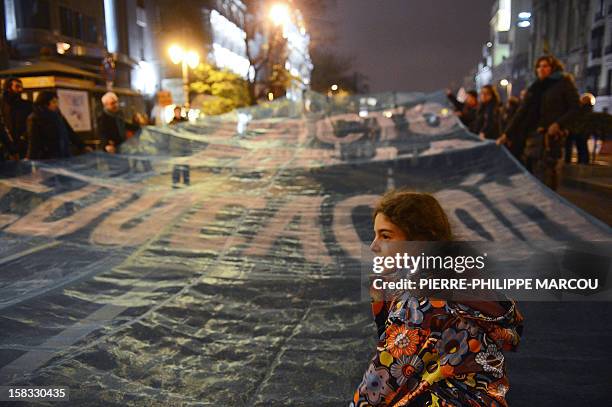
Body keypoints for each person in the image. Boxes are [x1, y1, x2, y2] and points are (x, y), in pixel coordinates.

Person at [351, 190, 522, 407]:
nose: (373, 246)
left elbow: (378, 386)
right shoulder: (465, 277)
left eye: (386, 236)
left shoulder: (420, 305)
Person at [497, 55, 580, 190]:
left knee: (547, 173)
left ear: (553, 68)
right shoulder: (535, 87)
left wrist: (558, 124)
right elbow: (521, 113)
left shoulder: (563, 83)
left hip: (551, 136)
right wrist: (507, 134)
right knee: (532, 173)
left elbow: (575, 108)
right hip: (532, 136)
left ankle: (549, 205)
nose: (541, 69)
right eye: (539, 66)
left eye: (545, 66)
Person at [26, 91, 90, 160]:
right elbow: (33, 142)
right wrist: (31, 159)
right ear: (45, 103)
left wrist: (82, 146)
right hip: (47, 158)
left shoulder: (58, 116)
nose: (57, 105)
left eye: (57, 102)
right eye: (54, 102)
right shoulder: (35, 118)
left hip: (64, 155)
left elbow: (70, 132)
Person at [1, 77, 33, 158]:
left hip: (22, 145)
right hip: (5, 146)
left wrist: (24, 137)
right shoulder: (2, 105)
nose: (20, 89)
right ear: (8, 88)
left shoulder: (27, 105)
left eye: (21, 87)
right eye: (17, 86)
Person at [564, 93, 594, 164]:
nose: (581, 100)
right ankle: (582, 161)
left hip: (580, 131)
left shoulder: (584, 109)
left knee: (581, 147)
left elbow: (580, 120)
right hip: (581, 131)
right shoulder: (587, 109)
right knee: (582, 147)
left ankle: (582, 161)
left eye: (583, 99)